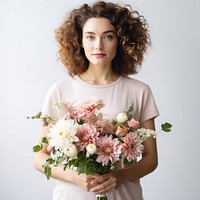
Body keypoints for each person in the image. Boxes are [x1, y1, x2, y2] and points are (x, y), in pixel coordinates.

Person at [33, 1, 159, 200]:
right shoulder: (60, 91)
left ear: (120, 40)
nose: (98, 45)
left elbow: (151, 159)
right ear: (80, 41)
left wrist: (120, 176)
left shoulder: (139, 91)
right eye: (90, 37)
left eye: (108, 36)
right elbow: (39, 156)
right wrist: (74, 177)